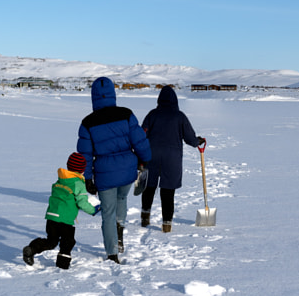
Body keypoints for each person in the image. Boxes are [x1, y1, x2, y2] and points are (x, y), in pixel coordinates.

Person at [77, 77, 152, 264]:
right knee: (122, 199)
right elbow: (139, 141)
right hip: (127, 170)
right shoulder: (126, 114)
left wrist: (87, 178)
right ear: (113, 94)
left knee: (107, 212)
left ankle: (112, 253)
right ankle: (120, 231)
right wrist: (145, 159)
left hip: (104, 174)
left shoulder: (88, 122)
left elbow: (85, 154)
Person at [139, 86, 206, 233]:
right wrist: (197, 141)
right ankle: (167, 224)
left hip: (152, 155)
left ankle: (145, 217)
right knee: (168, 191)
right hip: (172, 158)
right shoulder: (179, 116)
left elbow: (142, 134)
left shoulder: (152, 114)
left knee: (149, 187)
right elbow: (189, 138)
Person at [22, 152, 100, 269]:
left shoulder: (61, 180)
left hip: (52, 216)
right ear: (81, 171)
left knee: (51, 242)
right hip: (65, 219)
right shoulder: (78, 184)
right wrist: (93, 210)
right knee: (67, 243)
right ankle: (62, 265)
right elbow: (82, 202)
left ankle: (32, 249)